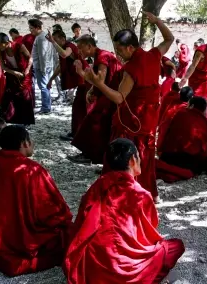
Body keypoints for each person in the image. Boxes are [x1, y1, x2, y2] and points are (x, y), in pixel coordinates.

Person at [64, 138, 185, 283]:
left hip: (94, 268)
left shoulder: (96, 188)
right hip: (129, 270)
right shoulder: (140, 194)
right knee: (175, 246)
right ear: (133, 159)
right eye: (138, 156)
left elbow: (80, 227)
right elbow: (149, 232)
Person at [83, 12, 173, 202]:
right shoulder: (154, 55)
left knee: (125, 152)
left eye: (120, 49)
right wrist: (157, 21)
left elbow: (118, 98)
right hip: (150, 117)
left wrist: (98, 84)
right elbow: (169, 38)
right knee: (146, 153)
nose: (118, 54)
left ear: (130, 48)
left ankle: (122, 190)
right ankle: (150, 192)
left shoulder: (131, 69)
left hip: (132, 119)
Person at [0, 125, 73, 277]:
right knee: (66, 233)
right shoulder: (32, 170)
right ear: (24, 143)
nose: (32, 143)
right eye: (30, 140)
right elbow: (51, 210)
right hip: (20, 235)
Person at [69, 35, 123, 164]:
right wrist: (92, 90)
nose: (79, 51)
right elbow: (98, 83)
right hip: (108, 93)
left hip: (112, 95)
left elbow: (100, 80)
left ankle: (91, 155)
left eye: (80, 48)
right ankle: (94, 154)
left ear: (89, 46)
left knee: (94, 120)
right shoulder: (100, 55)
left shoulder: (102, 56)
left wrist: (81, 72)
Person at [157, 97, 207, 181]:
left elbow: (167, 133)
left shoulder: (180, 113)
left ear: (192, 106)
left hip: (170, 156)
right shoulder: (205, 123)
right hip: (190, 162)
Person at [47, 30, 88, 140]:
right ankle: (76, 131)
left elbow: (64, 54)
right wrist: (51, 79)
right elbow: (60, 66)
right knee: (77, 108)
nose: (54, 42)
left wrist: (52, 42)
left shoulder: (69, 46)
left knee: (79, 108)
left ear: (63, 39)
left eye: (56, 40)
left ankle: (78, 133)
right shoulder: (63, 49)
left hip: (84, 80)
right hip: (80, 81)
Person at [179, 36, 207, 119]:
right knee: (196, 100)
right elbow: (192, 66)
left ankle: (204, 120)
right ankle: (192, 119)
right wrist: (185, 78)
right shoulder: (201, 51)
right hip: (197, 78)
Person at [0, 33, 35, 126]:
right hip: (11, 73)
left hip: (24, 72)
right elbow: (3, 66)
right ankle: (7, 119)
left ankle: (25, 121)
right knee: (7, 96)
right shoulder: (0, 50)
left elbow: (30, 58)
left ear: (7, 42)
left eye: (0, 44)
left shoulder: (19, 46)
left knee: (24, 96)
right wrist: (14, 73)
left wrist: (27, 70)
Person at [29, 18, 58, 114]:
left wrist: (43, 68)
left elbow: (43, 54)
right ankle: (47, 105)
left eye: (32, 28)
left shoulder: (41, 37)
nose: (30, 30)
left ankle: (46, 107)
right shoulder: (43, 36)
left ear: (37, 28)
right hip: (46, 65)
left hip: (42, 66)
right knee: (46, 86)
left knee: (43, 87)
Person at [158, 85, 194, 152]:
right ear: (191, 98)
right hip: (171, 146)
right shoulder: (185, 110)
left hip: (161, 139)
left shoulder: (173, 102)